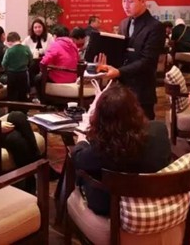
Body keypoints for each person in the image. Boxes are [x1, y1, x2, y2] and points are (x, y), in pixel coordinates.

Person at [72, 85, 170, 215]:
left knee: (81, 173)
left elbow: (77, 158)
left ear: (101, 117)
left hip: (111, 209)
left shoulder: (105, 148)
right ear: (136, 108)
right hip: (155, 201)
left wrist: (82, 141)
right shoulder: (160, 130)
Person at [99, 0, 166, 120]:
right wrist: (107, 63)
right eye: (123, 1)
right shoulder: (124, 23)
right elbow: (120, 53)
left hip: (142, 91)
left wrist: (119, 71)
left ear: (143, 1)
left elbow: (147, 61)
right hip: (121, 89)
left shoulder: (155, 27)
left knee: (143, 129)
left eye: (130, 1)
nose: (125, 5)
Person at [2, 31, 32, 101]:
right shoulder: (26, 48)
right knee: (23, 92)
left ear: (9, 42)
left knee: (12, 93)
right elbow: (31, 58)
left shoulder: (9, 50)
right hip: (23, 74)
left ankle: (12, 107)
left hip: (12, 74)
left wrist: (6, 69)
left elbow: (4, 63)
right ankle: (23, 106)